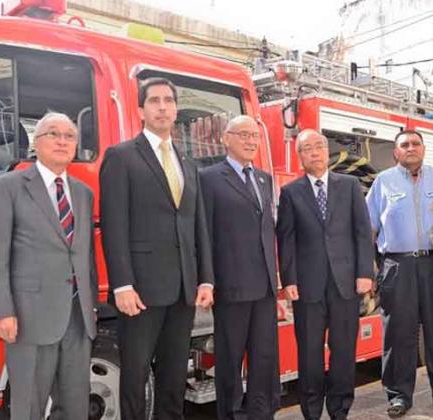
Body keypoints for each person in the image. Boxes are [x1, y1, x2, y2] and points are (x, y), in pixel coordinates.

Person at [99, 77, 214, 420]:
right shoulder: (121, 157)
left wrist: (205, 279)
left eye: (168, 100)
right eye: (154, 101)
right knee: (134, 376)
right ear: (140, 110)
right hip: (140, 290)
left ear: (176, 109)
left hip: (182, 290)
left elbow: (198, 225)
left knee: (174, 376)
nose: (162, 106)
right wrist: (122, 284)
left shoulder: (186, 162)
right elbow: (114, 225)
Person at [0, 112, 97, 419]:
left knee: (75, 407)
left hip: (77, 317)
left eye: (69, 136)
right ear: (37, 142)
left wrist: (92, 308)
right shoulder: (9, 186)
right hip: (28, 316)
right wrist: (2, 311)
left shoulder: (84, 193)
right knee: (29, 407)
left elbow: (83, 255)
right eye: (53, 134)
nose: (62, 141)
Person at [366, 129, 433, 418]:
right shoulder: (383, 182)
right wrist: (367, 270)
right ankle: (398, 396)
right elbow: (370, 229)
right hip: (396, 266)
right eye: (404, 145)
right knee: (398, 333)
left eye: (415, 143)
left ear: (423, 149)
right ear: (396, 152)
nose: (410, 148)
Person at [277, 129, 375, 420]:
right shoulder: (291, 193)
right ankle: (311, 411)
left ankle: (340, 409)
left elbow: (362, 232)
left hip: (346, 284)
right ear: (301, 157)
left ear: (326, 150)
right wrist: (289, 280)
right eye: (308, 148)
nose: (315, 152)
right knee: (309, 354)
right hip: (308, 286)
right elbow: (287, 240)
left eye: (319, 146)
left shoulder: (349, 186)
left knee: (344, 351)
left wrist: (364, 273)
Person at [200, 115, 280, 420]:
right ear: (226, 138)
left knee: (263, 358)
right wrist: (207, 280)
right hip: (231, 285)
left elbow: (267, 231)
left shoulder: (263, 178)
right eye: (244, 135)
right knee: (230, 359)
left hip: (264, 287)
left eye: (255, 136)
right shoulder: (208, 178)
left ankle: (261, 414)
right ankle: (231, 414)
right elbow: (204, 233)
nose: (250, 141)